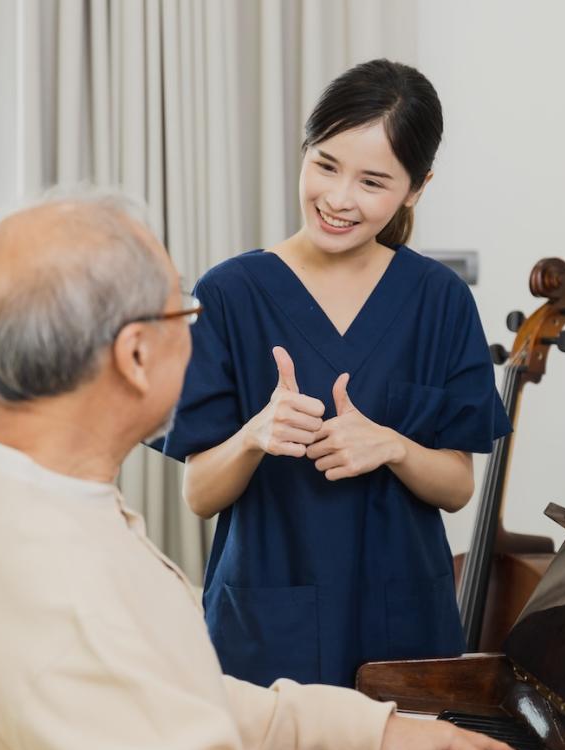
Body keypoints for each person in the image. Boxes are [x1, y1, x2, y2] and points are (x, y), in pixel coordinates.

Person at [0, 190, 565, 750]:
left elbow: (168, 696)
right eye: (183, 313)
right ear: (136, 355)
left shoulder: (21, 497)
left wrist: (371, 731)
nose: (198, 332)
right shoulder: (39, 560)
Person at [160, 59, 507, 688]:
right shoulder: (230, 294)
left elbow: (457, 487)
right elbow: (199, 494)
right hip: (267, 630)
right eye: (325, 165)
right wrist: (253, 436)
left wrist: (394, 446)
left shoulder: (440, 301)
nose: (339, 199)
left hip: (402, 627)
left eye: (373, 181)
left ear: (415, 188)